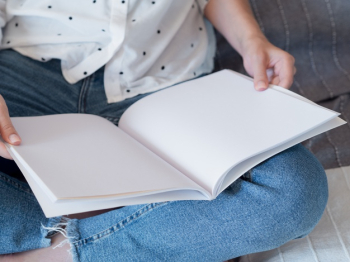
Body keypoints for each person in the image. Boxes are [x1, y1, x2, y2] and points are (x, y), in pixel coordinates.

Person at [0, 0, 327, 261]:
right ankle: (153, 226)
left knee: (294, 186)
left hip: (166, 89)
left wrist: (251, 40)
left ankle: (56, 252)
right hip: (25, 77)